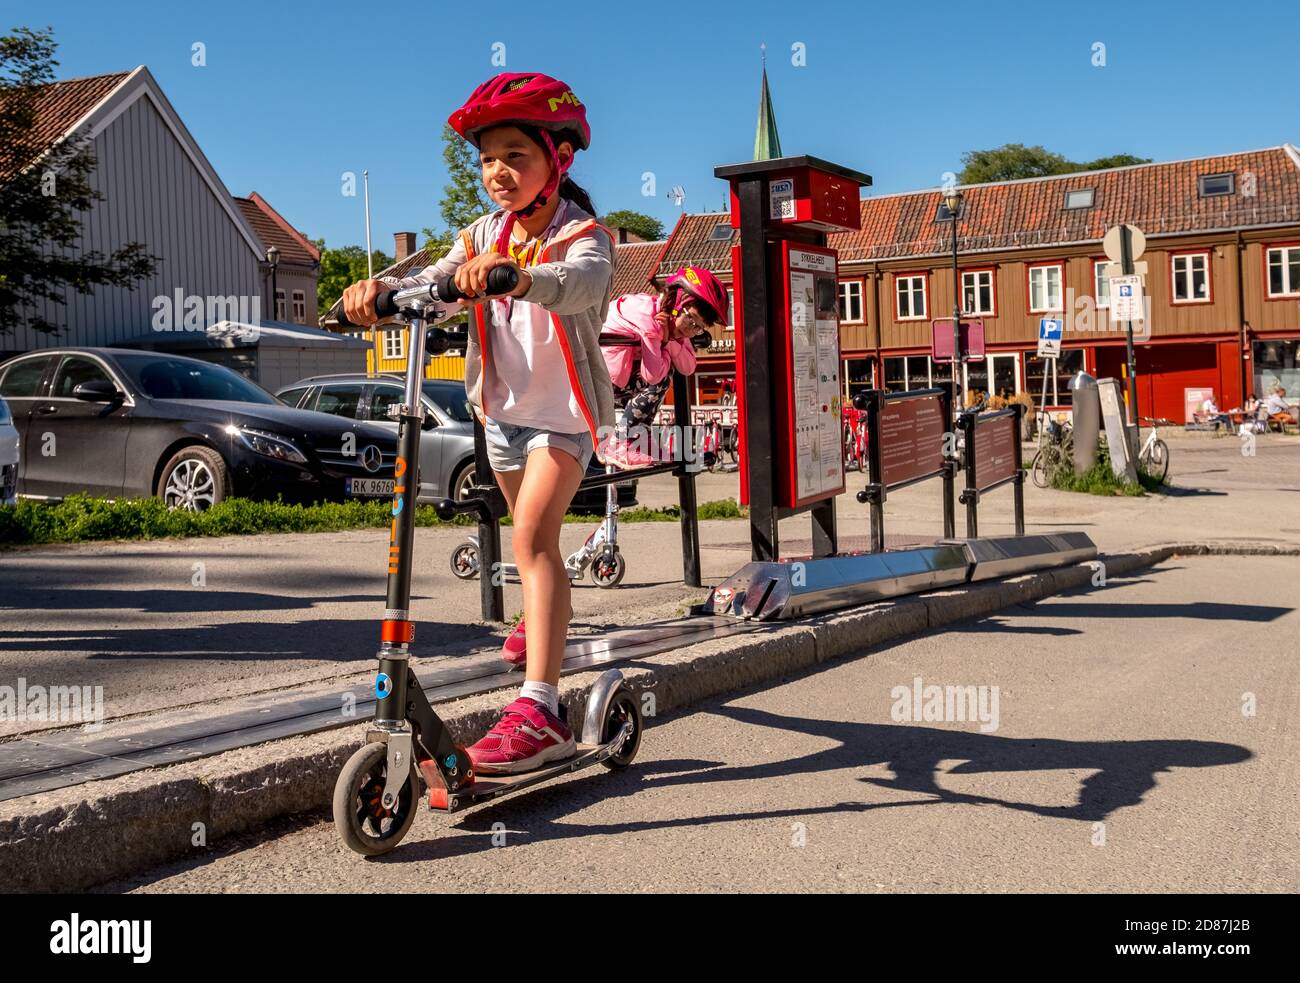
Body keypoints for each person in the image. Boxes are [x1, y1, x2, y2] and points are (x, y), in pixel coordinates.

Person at [340, 72, 614, 774]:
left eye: (516, 154)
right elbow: (433, 282)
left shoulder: (585, 234)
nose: (499, 170)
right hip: (503, 418)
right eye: (488, 157)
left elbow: (582, 283)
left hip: (563, 419)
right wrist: (379, 293)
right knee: (533, 552)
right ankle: (544, 616)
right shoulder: (478, 235)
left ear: (558, 160)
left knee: (533, 538)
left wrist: (519, 278)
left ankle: (542, 708)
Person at [599, 266, 729, 468]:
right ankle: (622, 442)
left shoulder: (672, 324)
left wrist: (669, 343)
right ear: (677, 304)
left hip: (617, 379)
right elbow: (652, 375)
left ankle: (640, 438)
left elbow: (688, 367)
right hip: (598, 379)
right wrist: (663, 343)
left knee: (665, 370)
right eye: (691, 319)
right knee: (662, 376)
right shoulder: (650, 320)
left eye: (699, 327)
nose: (691, 329)